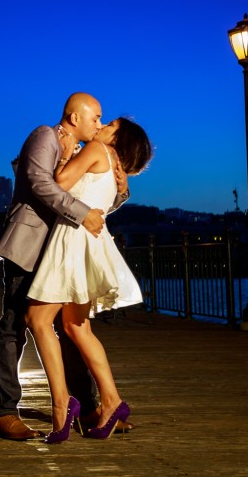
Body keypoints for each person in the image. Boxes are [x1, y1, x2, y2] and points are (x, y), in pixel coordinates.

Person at [0, 92, 130, 441]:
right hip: (31, 247)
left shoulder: (81, 152)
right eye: (95, 117)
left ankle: (85, 407)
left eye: (102, 120)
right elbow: (40, 184)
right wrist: (82, 212)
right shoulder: (45, 136)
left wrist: (119, 192)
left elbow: (88, 208)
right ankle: (5, 412)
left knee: (70, 328)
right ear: (73, 117)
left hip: (62, 252)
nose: (99, 123)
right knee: (14, 326)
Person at [24, 117, 153, 443]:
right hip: (89, 241)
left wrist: (66, 153)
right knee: (75, 327)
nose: (102, 125)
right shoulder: (114, 168)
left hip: (72, 240)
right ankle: (111, 401)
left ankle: (62, 405)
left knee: (38, 318)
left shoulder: (97, 149)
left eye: (109, 124)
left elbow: (62, 181)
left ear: (118, 137)